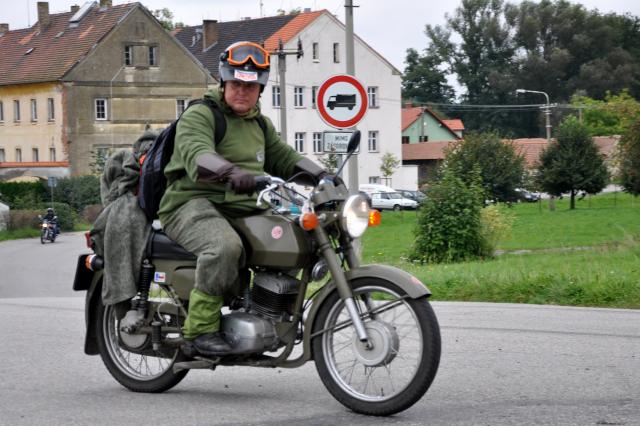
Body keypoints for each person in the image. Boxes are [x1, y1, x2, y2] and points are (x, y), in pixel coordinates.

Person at [157, 41, 326, 356]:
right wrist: (231, 173)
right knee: (224, 247)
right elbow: (197, 154)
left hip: (244, 207)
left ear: (260, 89)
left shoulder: (259, 123)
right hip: (190, 203)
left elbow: (284, 158)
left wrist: (322, 176)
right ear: (223, 82)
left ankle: (269, 315)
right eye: (236, 83)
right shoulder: (201, 115)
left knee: (292, 239)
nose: (242, 91)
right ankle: (199, 331)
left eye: (250, 86)